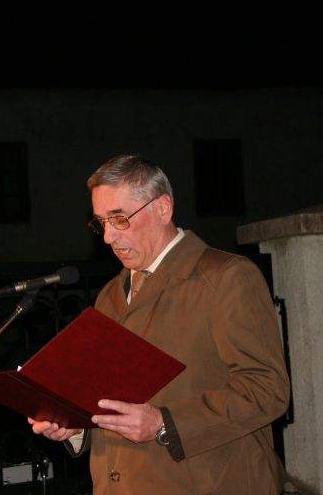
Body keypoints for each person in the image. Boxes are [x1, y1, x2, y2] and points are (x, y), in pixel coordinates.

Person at [29, 154, 290, 494]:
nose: (107, 237)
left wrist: (164, 424)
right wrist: (74, 426)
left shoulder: (226, 277)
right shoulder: (110, 295)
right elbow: (110, 401)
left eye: (119, 219)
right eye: (101, 223)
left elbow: (267, 390)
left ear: (163, 208)